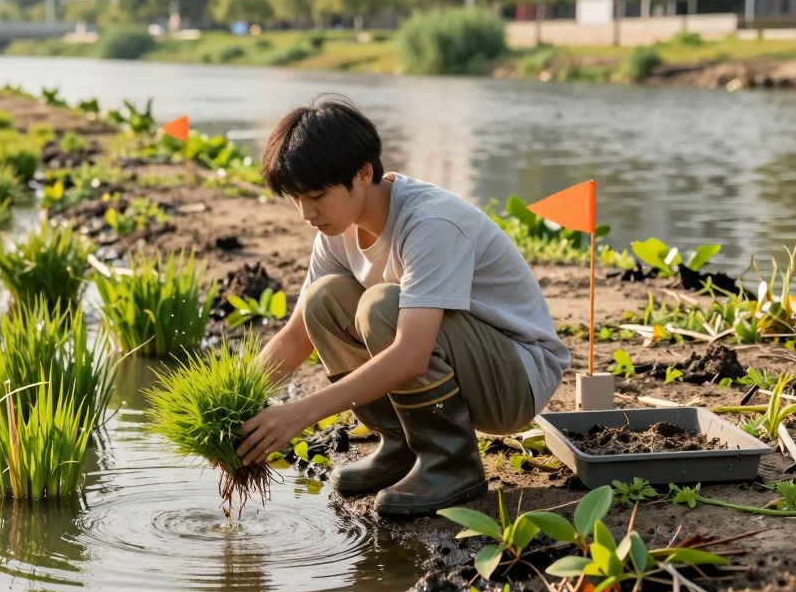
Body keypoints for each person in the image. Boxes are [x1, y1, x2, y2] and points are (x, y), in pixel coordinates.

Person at [236, 96, 571, 517]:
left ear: (363, 173)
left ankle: (451, 463)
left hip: (514, 378)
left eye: (318, 195)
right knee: (324, 301)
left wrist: (300, 414)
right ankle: (401, 447)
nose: (307, 213)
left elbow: (412, 354)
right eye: (296, 198)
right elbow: (297, 334)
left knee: (381, 306)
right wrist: (234, 402)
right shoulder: (334, 232)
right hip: (463, 360)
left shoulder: (430, 222)